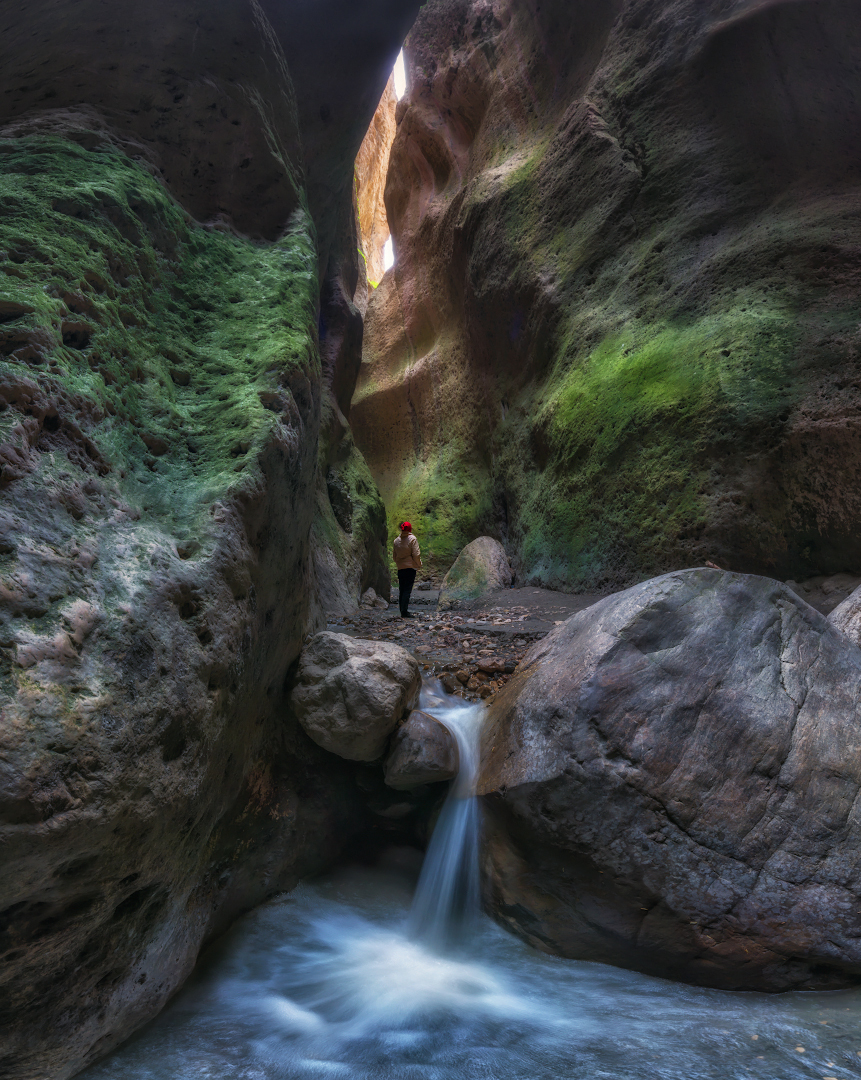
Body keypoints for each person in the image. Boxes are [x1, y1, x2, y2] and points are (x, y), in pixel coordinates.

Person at [393, 520, 422, 618]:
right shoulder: (412, 539)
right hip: (410, 568)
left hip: (401, 569)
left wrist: (399, 564)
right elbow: (416, 554)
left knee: (402, 589)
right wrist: (418, 564)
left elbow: (394, 556)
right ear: (410, 529)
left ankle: (402, 610)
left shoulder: (396, 541)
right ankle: (404, 612)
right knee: (407, 590)